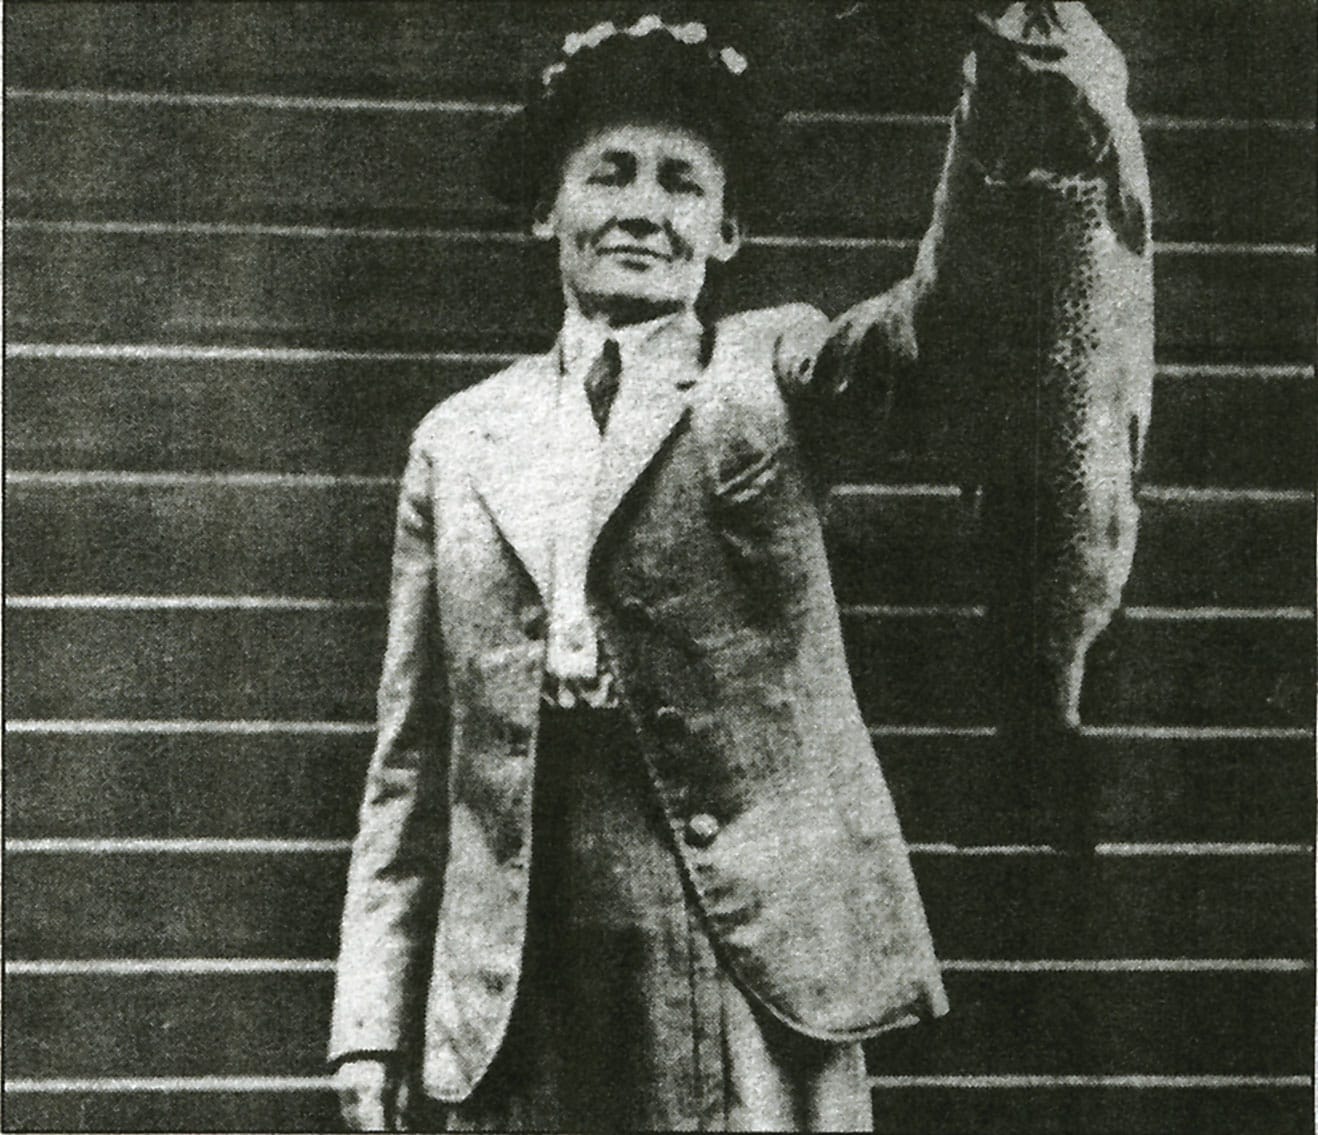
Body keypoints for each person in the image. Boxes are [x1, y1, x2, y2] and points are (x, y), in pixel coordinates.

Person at [329, 4, 1152, 1130]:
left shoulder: (774, 371)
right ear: (546, 209)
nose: (642, 208)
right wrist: (371, 1024)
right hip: (519, 971)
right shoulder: (458, 439)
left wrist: (1014, 96)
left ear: (724, 231)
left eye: (681, 183)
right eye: (610, 173)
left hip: (742, 947)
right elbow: (412, 766)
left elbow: (942, 319)